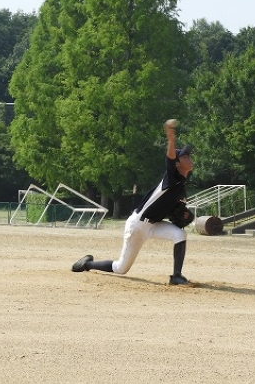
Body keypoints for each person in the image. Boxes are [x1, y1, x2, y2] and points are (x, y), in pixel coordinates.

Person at [71, 120, 195, 285]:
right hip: (138, 225)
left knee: (180, 235)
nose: (189, 158)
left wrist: (182, 215)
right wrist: (171, 139)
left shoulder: (181, 187)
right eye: (185, 156)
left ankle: (176, 276)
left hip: (154, 225)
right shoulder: (172, 177)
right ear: (178, 164)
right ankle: (87, 264)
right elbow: (170, 160)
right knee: (121, 268)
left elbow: (174, 211)